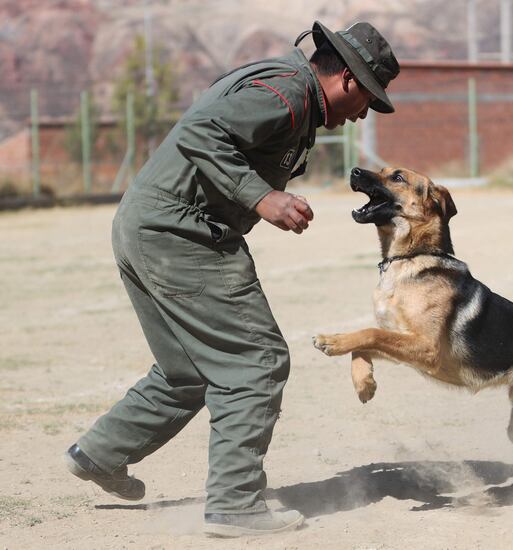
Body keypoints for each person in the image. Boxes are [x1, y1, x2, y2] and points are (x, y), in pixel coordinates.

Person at [64, 20, 400, 537]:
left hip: (148, 225)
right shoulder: (288, 93)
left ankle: (100, 454)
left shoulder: (293, 93)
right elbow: (202, 129)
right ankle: (236, 505)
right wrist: (262, 196)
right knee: (256, 360)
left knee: (188, 370)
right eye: (366, 102)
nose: (360, 117)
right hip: (182, 234)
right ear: (348, 81)